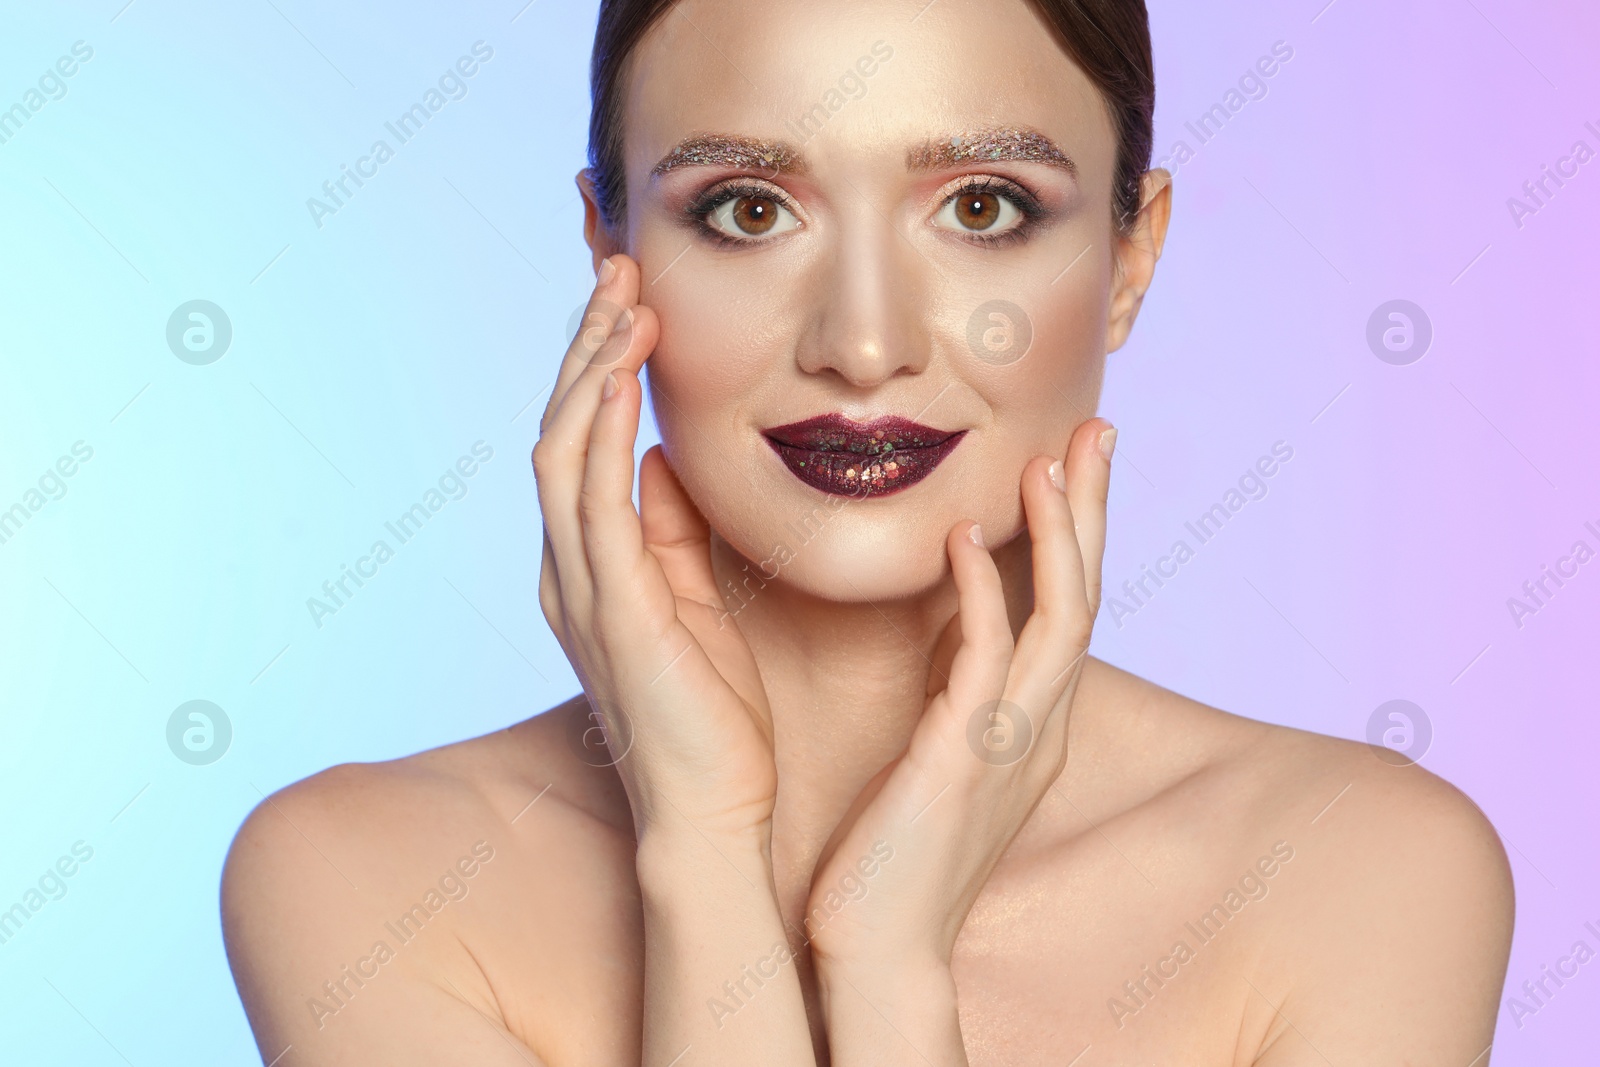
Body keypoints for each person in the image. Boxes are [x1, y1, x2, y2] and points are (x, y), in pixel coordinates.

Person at [222, 0, 1514, 1062]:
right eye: (746, 208)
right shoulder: (363, 887)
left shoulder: (1363, 877)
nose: (864, 343)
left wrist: (887, 966)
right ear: (606, 250)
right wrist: (705, 860)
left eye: (984, 207)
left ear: (1130, 259)